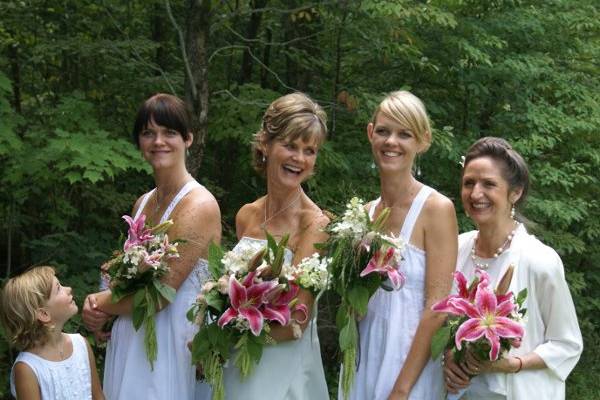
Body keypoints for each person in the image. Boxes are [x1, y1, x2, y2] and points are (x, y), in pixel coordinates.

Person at [82, 93, 221, 399]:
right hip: (134, 334)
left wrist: (98, 302)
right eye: (148, 133)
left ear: (188, 139)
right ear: (140, 143)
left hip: (171, 341)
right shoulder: (142, 203)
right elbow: (129, 277)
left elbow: (161, 293)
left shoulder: (200, 204)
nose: (158, 141)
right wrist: (102, 310)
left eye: (169, 132)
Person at [443, 136, 583, 399]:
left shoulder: (539, 260)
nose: (475, 194)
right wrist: (447, 355)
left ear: (515, 192)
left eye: (489, 184)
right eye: (468, 183)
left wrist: (513, 364)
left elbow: (567, 343)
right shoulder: (455, 249)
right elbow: (438, 321)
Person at [346, 90, 458, 400]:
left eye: (404, 134)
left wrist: (401, 390)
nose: (391, 142)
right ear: (371, 134)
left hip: (410, 366)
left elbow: (437, 309)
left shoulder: (436, 208)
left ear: (423, 140)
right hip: (364, 356)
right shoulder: (364, 214)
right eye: (383, 131)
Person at [221, 92, 329, 399]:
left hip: (283, 373)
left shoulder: (315, 226)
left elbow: (297, 320)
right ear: (265, 144)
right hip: (238, 364)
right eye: (290, 145)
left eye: (309, 150)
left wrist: (222, 336)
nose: (299, 158)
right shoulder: (246, 215)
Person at [0, 266, 104, 399]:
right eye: (59, 288)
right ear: (44, 314)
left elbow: (98, 396)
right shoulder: (27, 368)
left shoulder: (81, 344)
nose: (69, 289)